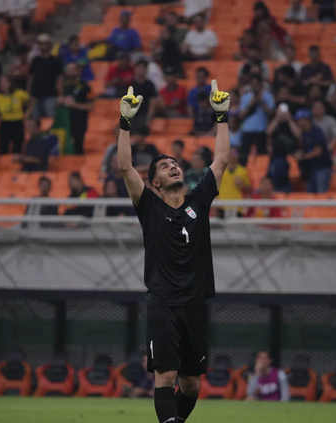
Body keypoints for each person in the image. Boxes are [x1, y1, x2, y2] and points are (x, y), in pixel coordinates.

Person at [116, 80, 230, 423]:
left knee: (192, 385)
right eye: (164, 166)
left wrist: (221, 116)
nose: (173, 166)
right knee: (165, 377)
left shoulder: (198, 199)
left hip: (194, 304)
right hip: (163, 302)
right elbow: (124, 167)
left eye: (175, 163)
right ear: (155, 183)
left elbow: (222, 160)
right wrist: (125, 123)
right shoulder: (149, 206)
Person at [239, 74, 275, 165]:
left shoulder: (268, 96)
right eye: (253, 84)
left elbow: (271, 114)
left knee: (262, 156)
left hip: (261, 130)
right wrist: (251, 104)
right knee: (244, 156)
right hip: (247, 130)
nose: (255, 86)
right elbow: (241, 115)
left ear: (261, 84)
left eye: (257, 84)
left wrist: (262, 102)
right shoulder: (245, 97)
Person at [294, 109, 332, 193]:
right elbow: (302, 148)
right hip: (311, 168)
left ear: (306, 120)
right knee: (310, 194)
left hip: (322, 167)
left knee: (321, 193)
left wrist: (303, 157)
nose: (298, 123)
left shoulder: (316, 132)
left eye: (299, 120)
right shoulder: (304, 133)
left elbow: (317, 152)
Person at [27, 33, 64, 118]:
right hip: (35, 95)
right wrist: (28, 94)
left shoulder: (56, 61)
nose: (42, 46)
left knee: (50, 118)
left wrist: (61, 95)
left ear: (49, 45)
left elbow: (60, 79)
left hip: (51, 95)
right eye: (40, 43)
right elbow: (31, 78)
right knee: (35, 119)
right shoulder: (35, 60)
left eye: (44, 43)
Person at [62, 63, 94, 156]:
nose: (70, 72)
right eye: (68, 70)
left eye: (72, 70)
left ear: (78, 71)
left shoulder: (85, 87)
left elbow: (90, 106)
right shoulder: (64, 86)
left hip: (79, 121)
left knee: (78, 146)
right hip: (65, 122)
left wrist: (74, 105)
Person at [0, 75, 29, 156]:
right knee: (3, 148)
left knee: (17, 148)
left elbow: (32, 101)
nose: (2, 85)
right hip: (5, 123)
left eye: (4, 82)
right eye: (1, 83)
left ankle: (16, 167)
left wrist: (27, 113)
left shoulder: (19, 94)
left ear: (10, 83)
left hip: (17, 123)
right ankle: (4, 166)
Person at [217, 148, 251, 218]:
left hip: (237, 206)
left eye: (234, 153)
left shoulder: (243, 171)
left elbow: (249, 190)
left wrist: (242, 185)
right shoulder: (220, 170)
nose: (231, 156)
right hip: (221, 206)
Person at [131, 59, 158, 127]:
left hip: (144, 115)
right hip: (133, 115)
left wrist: (149, 117)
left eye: (142, 68)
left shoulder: (150, 85)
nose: (140, 70)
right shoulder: (131, 85)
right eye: (139, 68)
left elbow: (153, 101)